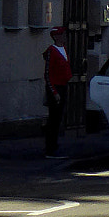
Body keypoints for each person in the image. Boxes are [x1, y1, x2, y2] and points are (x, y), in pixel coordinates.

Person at [42, 25, 72, 158]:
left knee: (58, 118)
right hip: (55, 88)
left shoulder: (63, 49)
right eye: (62, 34)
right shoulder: (52, 51)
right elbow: (48, 74)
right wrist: (54, 92)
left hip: (63, 86)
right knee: (53, 119)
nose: (65, 36)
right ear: (56, 37)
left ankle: (54, 145)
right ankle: (50, 149)